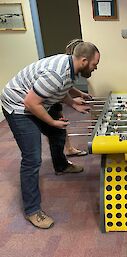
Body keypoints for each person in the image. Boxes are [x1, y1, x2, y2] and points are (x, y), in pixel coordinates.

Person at [1, 42, 100, 229]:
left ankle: (61, 165)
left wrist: (73, 104)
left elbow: (58, 91)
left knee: (58, 133)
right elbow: (31, 103)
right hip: (18, 106)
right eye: (95, 64)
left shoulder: (70, 67)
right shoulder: (56, 74)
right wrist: (52, 122)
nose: (96, 67)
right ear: (84, 60)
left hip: (34, 102)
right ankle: (32, 210)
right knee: (32, 158)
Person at [49, 39, 91, 157]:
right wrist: (72, 102)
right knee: (54, 128)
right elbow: (58, 91)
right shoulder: (63, 69)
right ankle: (62, 159)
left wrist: (80, 94)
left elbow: (67, 86)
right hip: (35, 101)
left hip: (49, 98)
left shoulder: (70, 68)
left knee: (59, 122)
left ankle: (68, 149)